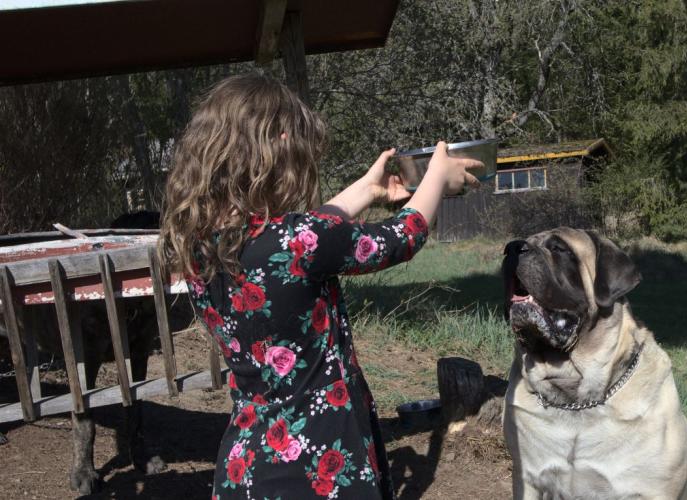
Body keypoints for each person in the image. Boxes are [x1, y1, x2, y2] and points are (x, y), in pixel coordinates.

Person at [159, 73, 480, 499]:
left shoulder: (201, 247)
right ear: (280, 143)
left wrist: (367, 189)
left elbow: (301, 238)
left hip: (245, 468)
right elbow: (404, 236)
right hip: (318, 468)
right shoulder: (297, 241)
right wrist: (437, 175)